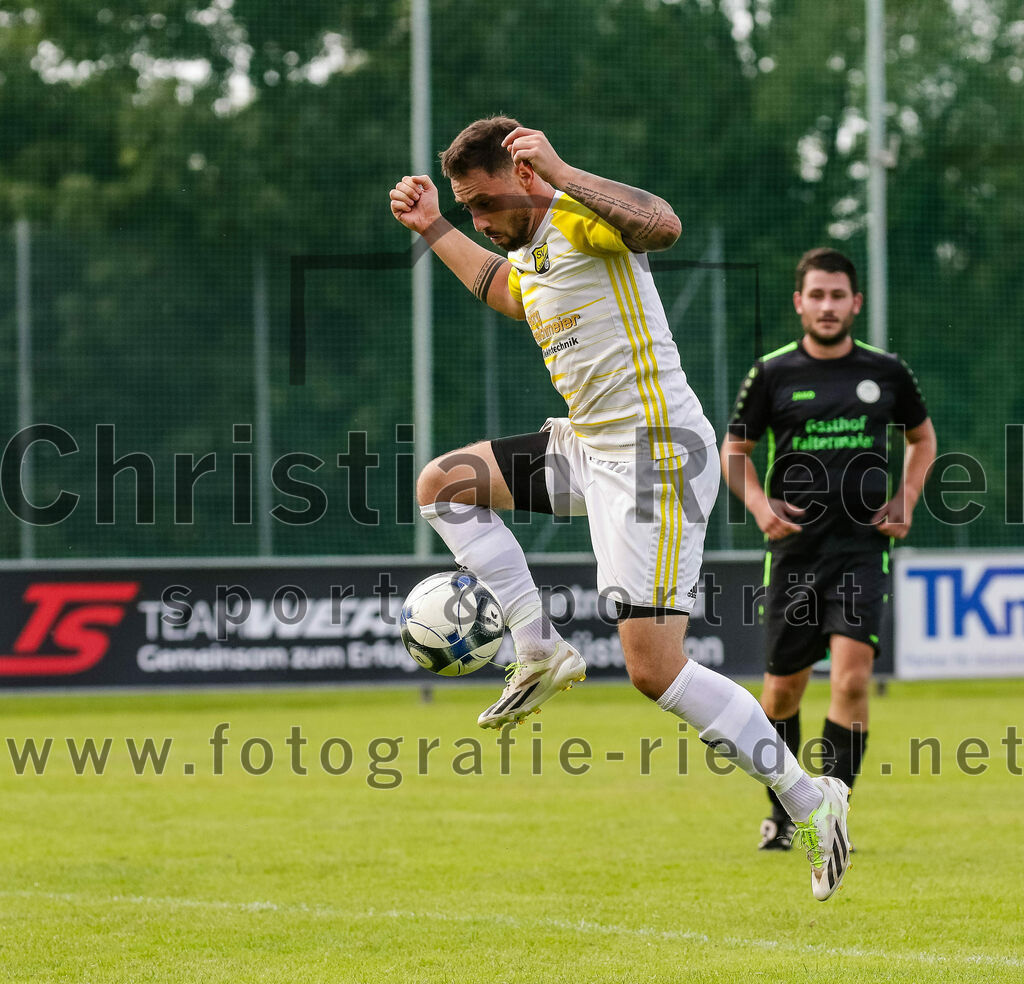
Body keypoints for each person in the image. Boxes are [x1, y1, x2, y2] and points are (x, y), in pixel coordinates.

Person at [390, 118, 851, 899]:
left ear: (519, 176)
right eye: (465, 208)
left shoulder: (577, 212)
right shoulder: (530, 251)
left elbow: (662, 224)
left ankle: (813, 801)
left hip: (655, 458)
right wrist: (432, 225)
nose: (477, 218)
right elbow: (505, 291)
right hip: (592, 448)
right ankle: (537, 648)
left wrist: (563, 169)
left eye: (478, 203)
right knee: (443, 484)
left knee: (653, 669)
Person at [721, 247, 936, 851]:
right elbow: (732, 453)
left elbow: (922, 439)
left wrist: (907, 498)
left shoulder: (887, 373)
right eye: (816, 295)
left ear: (855, 303)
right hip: (795, 557)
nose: (827, 306)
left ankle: (832, 813)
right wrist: (762, 508)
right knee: (782, 693)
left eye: (838, 295)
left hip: (862, 550)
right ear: (799, 302)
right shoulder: (772, 373)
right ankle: (785, 810)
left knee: (850, 682)